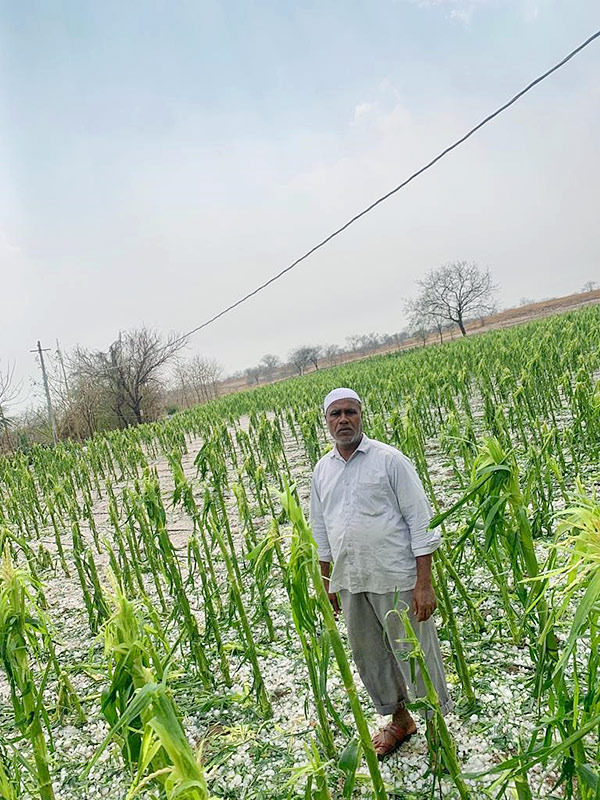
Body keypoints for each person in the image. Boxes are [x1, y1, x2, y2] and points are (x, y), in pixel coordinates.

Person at [309, 387, 452, 759]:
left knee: (414, 651)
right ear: (325, 421)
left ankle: (436, 725)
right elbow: (321, 530)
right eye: (335, 414)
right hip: (352, 579)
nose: (343, 420)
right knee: (370, 655)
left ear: (361, 416)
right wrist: (327, 581)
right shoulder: (322, 470)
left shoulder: (389, 460)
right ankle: (400, 720)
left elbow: (421, 521)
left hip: (395, 576)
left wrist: (424, 583)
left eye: (350, 412)